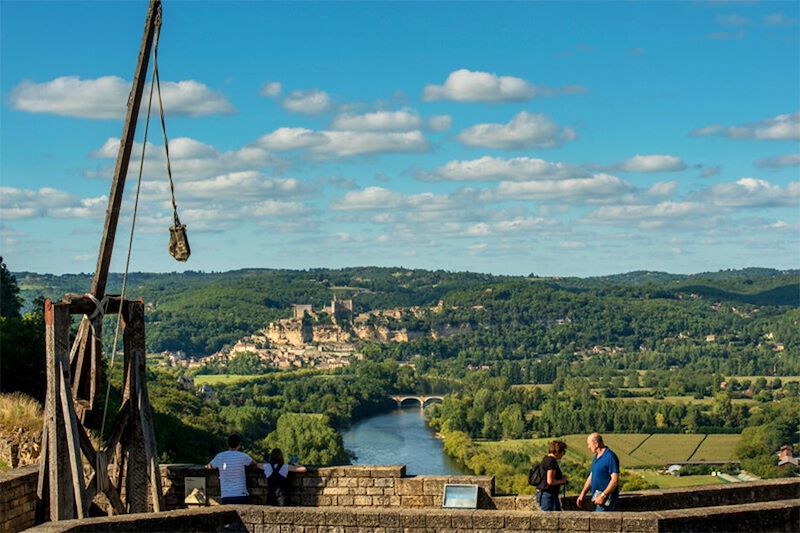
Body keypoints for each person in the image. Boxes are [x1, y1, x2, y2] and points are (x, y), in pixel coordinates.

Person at [206, 434, 258, 504]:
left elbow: (209, 466)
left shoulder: (220, 456)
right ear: (239, 445)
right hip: (240, 494)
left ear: (228, 444)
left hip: (226, 495)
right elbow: (254, 464)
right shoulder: (243, 456)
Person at [577, 432, 620, 512]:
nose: (588, 447)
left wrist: (603, 496)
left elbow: (615, 480)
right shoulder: (596, 457)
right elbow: (591, 476)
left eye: (589, 444)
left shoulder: (610, 457)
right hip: (599, 499)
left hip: (606, 500)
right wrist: (583, 493)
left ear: (596, 444)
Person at [537, 440, 568, 511]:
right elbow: (550, 481)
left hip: (545, 494)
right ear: (557, 452)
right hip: (548, 495)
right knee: (550, 519)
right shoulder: (551, 462)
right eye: (563, 452)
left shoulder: (546, 459)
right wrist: (562, 481)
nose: (563, 454)